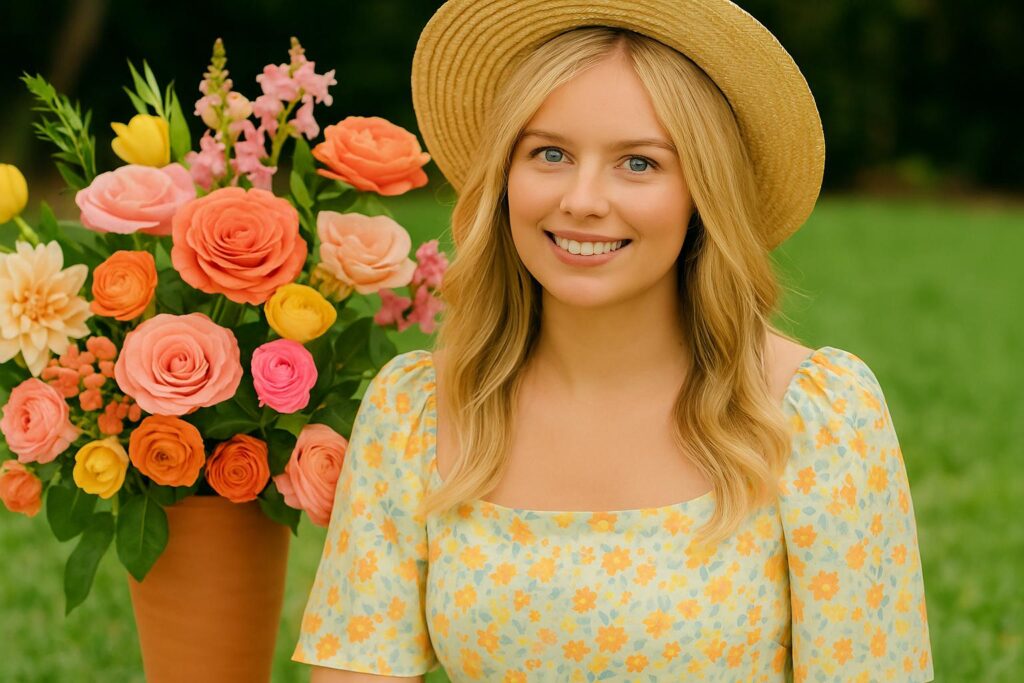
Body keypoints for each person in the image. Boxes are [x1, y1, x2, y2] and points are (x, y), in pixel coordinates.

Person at [291, 1, 934, 681]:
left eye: (638, 163)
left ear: (702, 191)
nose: (582, 199)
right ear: (504, 176)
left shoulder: (816, 416)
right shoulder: (416, 411)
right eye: (550, 154)